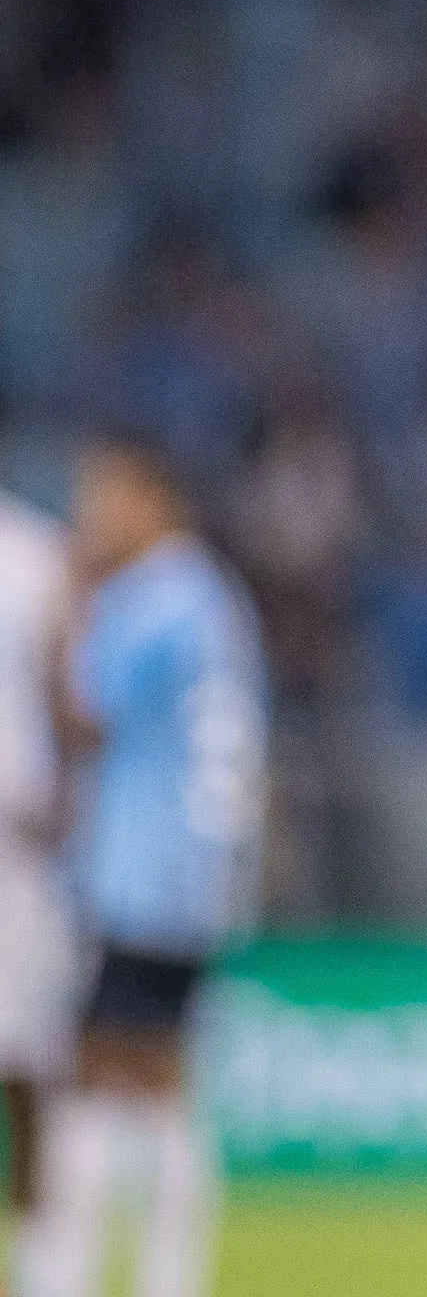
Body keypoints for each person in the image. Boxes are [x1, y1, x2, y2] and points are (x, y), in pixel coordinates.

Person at [15, 439, 267, 1297]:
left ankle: (76, 1276)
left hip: (142, 873)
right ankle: (163, 1275)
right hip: (195, 872)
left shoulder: (152, 597)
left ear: (154, 498)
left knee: (98, 1076)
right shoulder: (213, 596)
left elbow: (84, 717)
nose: (92, 517)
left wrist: (65, 613)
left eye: (106, 496)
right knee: (158, 1084)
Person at [0, 491, 74, 1281]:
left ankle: (40, 1262)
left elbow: (70, 692)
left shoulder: (34, 555)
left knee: (29, 1062)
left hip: (16, 841)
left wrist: (67, 796)